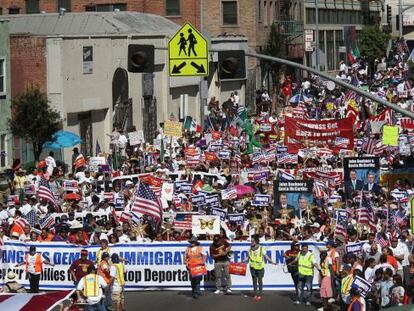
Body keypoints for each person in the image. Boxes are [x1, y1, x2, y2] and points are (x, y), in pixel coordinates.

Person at [243, 235, 277, 301]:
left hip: (260, 267)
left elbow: (266, 256)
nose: (251, 242)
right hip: (252, 267)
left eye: (252, 241)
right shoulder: (249, 249)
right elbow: (248, 257)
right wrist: (243, 261)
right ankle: (255, 294)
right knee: (254, 281)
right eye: (251, 241)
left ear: (256, 241)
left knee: (260, 281)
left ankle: (260, 294)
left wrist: (272, 261)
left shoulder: (261, 248)